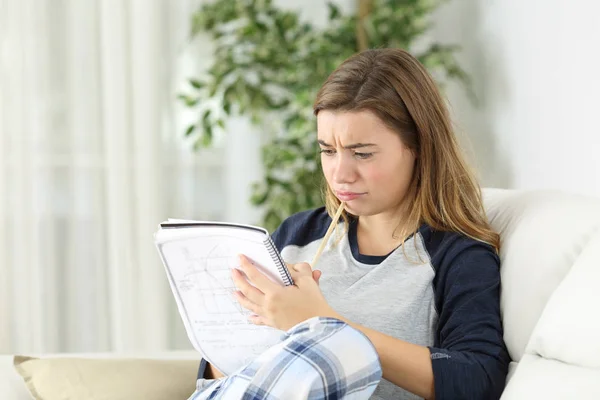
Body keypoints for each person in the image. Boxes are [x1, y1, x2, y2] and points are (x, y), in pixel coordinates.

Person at [190, 48, 510, 400]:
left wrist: (324, 325)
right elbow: (226, 373)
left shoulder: (457, 256)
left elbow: (478, 379)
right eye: (328, 151)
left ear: (419, 146)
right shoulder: (298, 236)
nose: (340, 174)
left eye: (362, 153)